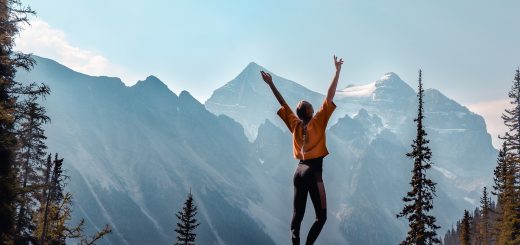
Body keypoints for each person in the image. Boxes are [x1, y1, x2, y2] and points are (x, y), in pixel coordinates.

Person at [260, 56, 343, 245]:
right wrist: (337, 71)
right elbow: (330, 96)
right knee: (321, 217)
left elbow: (283, 104)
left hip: (298, 172)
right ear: (309, 112)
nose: (311, 104)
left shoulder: (295, 125)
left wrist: (271, 84)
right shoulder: (318, 122)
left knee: (297, 216)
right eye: (309, 104)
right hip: (314, 172)